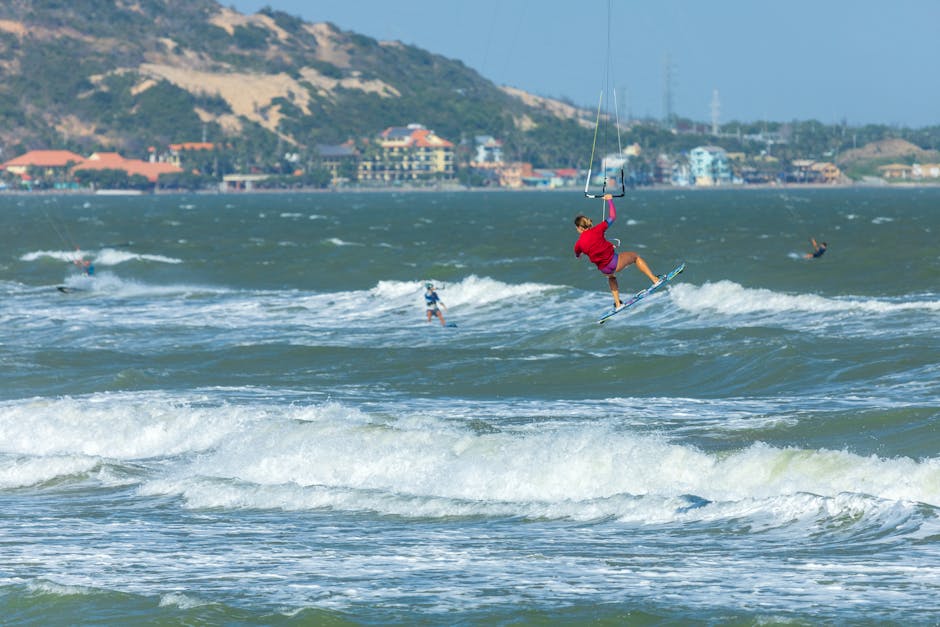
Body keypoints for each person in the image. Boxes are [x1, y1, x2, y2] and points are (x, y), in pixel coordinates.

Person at [574, 193, 660, 309]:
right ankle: (655, 279)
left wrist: (580, 255)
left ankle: (618, 303)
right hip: (614, 262)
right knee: (635, 256)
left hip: (604, 269)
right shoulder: (598, 229)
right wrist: (609, 200)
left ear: (579, 228)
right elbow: (613, 216)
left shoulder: (578, 244)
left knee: (611, 277)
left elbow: (578, 253)